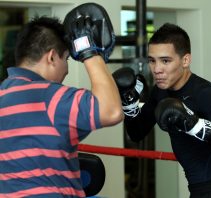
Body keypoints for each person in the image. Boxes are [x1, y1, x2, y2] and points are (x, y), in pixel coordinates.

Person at [0, 4, 123, 197]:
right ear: (51, 57)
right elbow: (112, 112)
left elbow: (57, 133)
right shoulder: (52, 98)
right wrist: (89, 52)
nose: (66, 69)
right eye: (66, 59)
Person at [112, 23, 211, 198]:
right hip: (198, 189)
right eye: (152, 60)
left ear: (185, 60)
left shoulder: (206, 94)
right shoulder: (160, 91)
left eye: (165, 61)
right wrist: (129, 105)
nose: (156, 69)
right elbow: (137, 133)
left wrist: (195, 125)